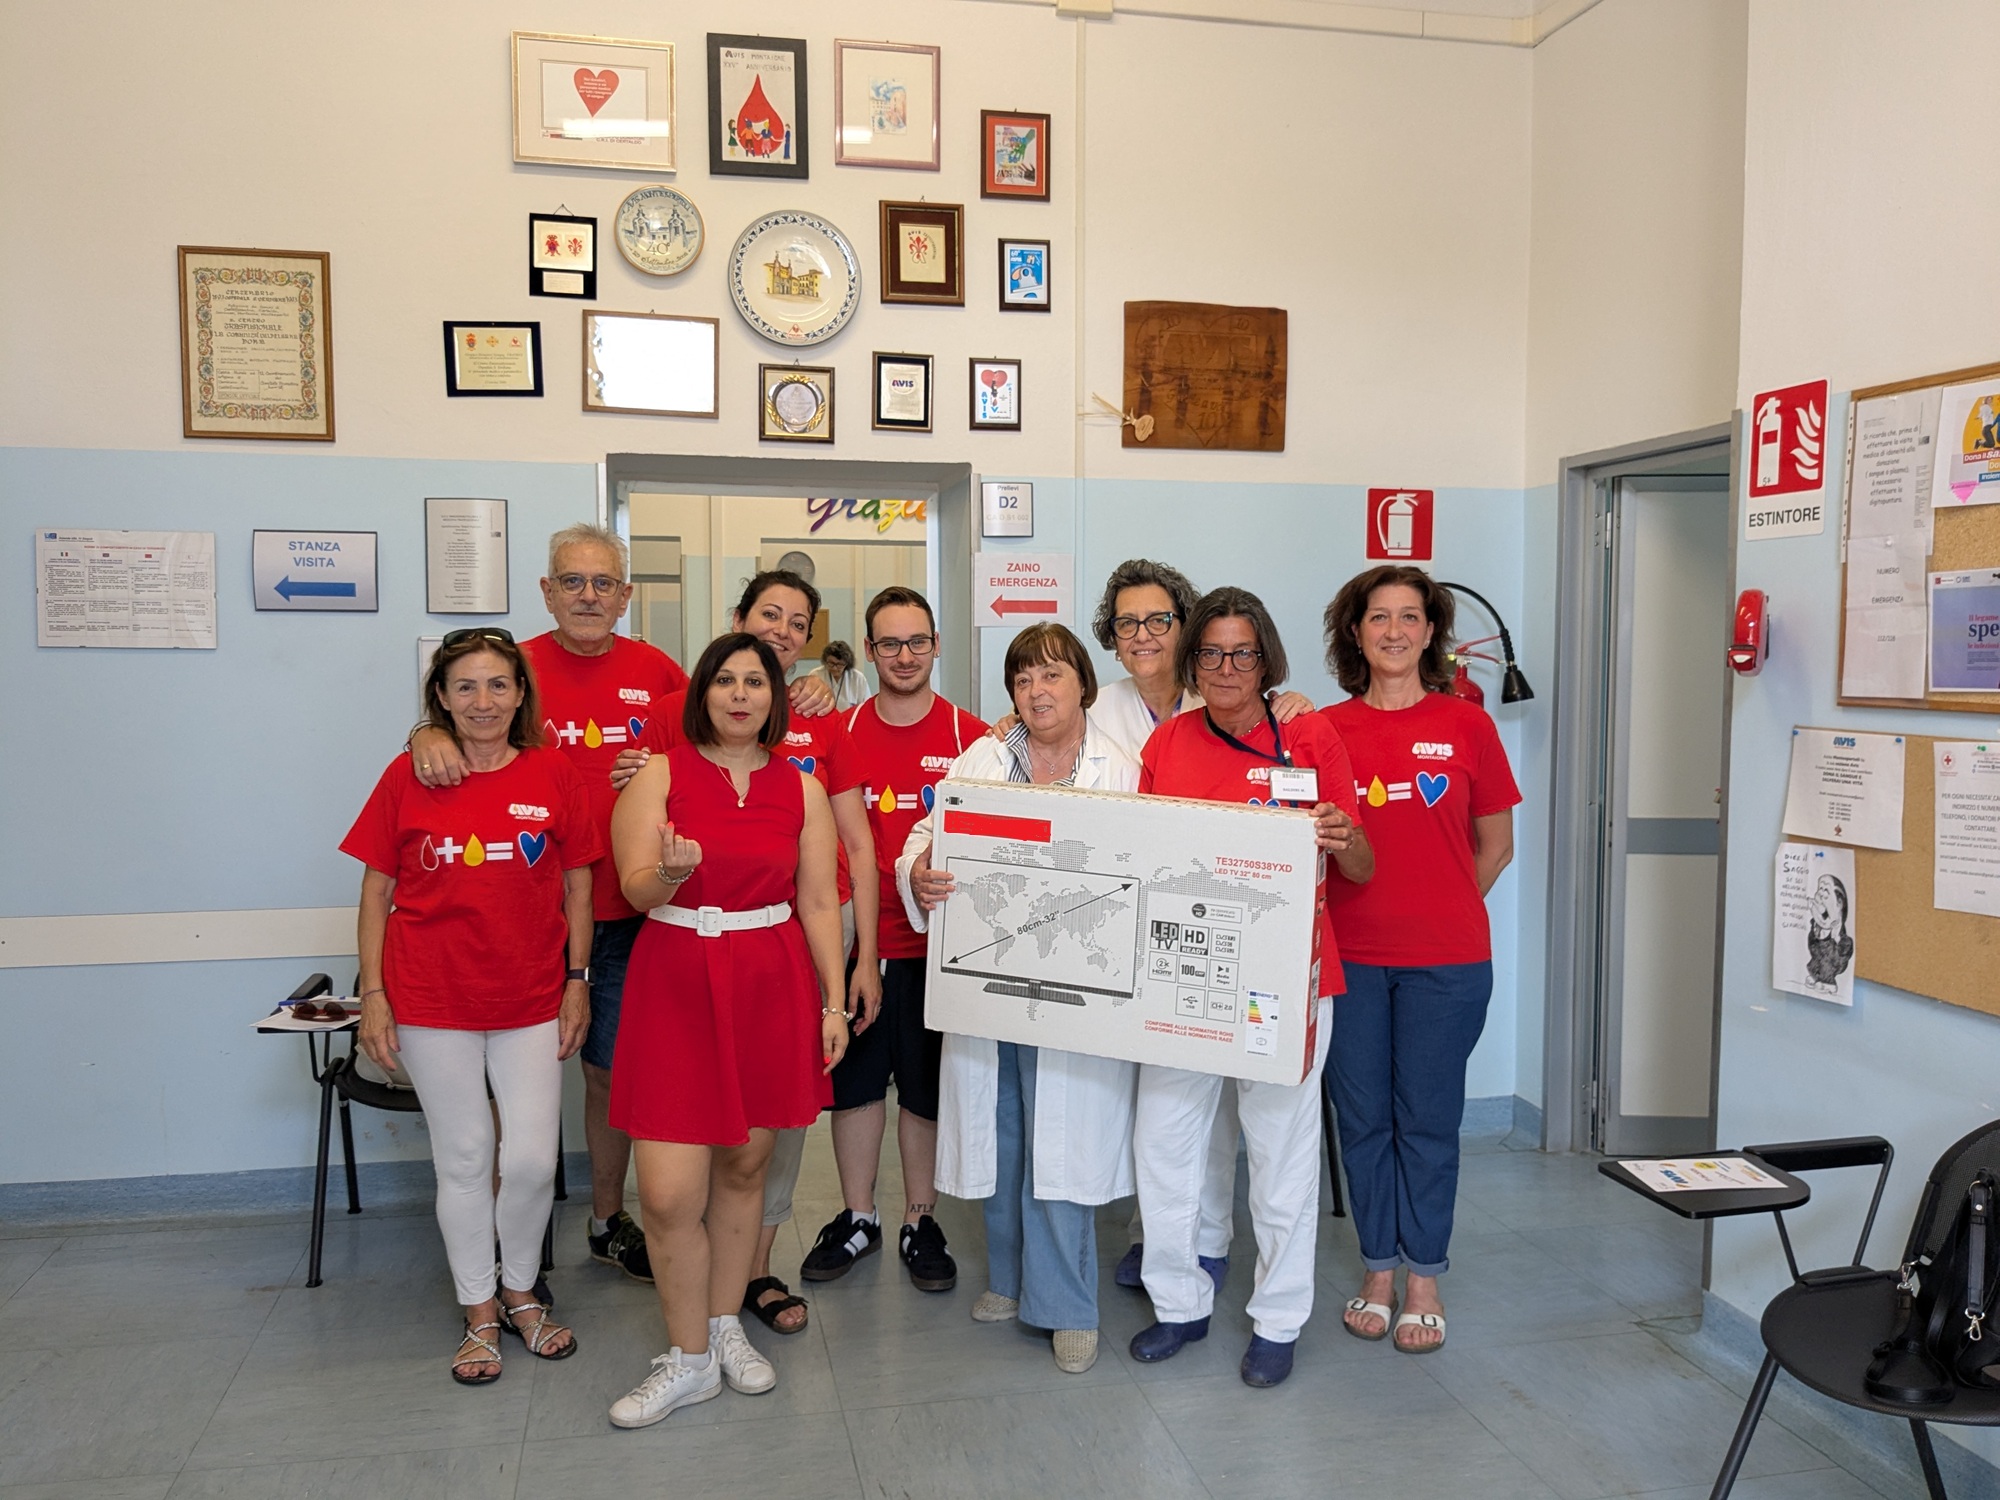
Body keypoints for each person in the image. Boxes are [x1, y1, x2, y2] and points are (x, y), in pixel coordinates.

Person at [408, 524, 688, 1284]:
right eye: (573, 581)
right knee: (499, 1082)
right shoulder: (516, 667)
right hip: (527, 917)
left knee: (607, 1072)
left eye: (604, 583)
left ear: (626, 595)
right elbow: (462, 716)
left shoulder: (660, 671)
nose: (589, 596)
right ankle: (499, 1240)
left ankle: (604, 1219)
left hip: (626, 915)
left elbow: (726, 738)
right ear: (546, 590)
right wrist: (423, 729)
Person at [614, 571, 882, 1335]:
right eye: (725, 681)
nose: (740, 694)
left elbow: (821, 900)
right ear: (703, 691)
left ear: (778, 697)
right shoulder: (659, 771)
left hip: (770, 979)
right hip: (675, 982)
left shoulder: (799, 783)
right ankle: (686, 1350)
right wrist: (666, 873)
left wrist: (834, 1001)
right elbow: (635, 886)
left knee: (746, 1169)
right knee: (667, 1195)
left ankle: (725, 1330)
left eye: (755, 683)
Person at [1128, 586, 1373, 1389]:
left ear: (1266, 658)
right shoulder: (1167, 743)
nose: (1226, 668)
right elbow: (1140, 859)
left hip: (1286, 981)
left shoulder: (1308, 734)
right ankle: (1179, 1303)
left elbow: (1364, 864)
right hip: (1184, 976)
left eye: (1243, 653)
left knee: (1281, 1156)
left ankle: (1277, 1318)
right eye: (1211, 653)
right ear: (1191, 660)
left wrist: (1343, 838)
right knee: (1165, 1146)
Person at [341, 628, 597, 1384]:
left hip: (530, 998)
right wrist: (374, 995)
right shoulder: (406, 775)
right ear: (441, 699)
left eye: (496, 686)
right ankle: (481, 1307)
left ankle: (522, 1287)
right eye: (464, 688)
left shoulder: (554, 774)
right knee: (461, 1159)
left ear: (520, 695)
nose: (482, 701)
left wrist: (577, 978)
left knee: (526, 1160)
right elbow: (376, 891)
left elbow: (579, 884)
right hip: (428, 998)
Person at [896, 624, 1140, 1374]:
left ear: (1083, 687)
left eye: (1054, 675)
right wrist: (919, 874)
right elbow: (923, 835)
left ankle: (1066, 1306)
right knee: (1000, 1134)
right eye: (1024, 678)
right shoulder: (981, 758)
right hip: (991, 982)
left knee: (1058, 1145)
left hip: (1073, 993)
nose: (1038, 691)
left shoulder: (1119, 769)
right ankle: (1007, 1279)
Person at [1086, 558, 1308, 1297]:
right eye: (1127, 623)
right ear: (1111, 636)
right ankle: (1165, 1242)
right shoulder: (1102, 711)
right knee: (1169, 1115)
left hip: (1251, 947)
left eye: (1159, 621)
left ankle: (1206, 1247)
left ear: (1185, 629)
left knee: (1225, 1124)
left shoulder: (1244, 699)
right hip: (1161, 943)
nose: (1143, 635)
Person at [1319, 565, 1520, 1354]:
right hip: (1353, 961)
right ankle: (1377, 1267)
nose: (1395, 631)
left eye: (1410, 618)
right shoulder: (1326, 730)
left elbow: (1496, 845)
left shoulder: (1469, 727)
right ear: (1356, 633)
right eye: (1378, 618)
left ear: (1431, 631)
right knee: (1363, 1118)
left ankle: (1425, 1273)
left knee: (1428, 1119)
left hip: (1447, 964)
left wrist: (1438, 907)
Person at [801, 587, 988, 1295]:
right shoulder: (836, 731)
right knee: (853, 1089)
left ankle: (919, 1219)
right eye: (889, 643)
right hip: (850, 949)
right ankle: (857, 1216)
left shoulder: (976, 741)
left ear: (937, 645)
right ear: (869, 650)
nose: (904, 655)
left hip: (936, 953)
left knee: (923, 1092)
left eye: (917, 642)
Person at [814, 639, 870, 711]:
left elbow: (866, 707)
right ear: (825, 660)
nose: (834, 668)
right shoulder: (816, 675)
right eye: (831, 663)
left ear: (847, 664)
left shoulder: (858, 679)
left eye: (839, 664)